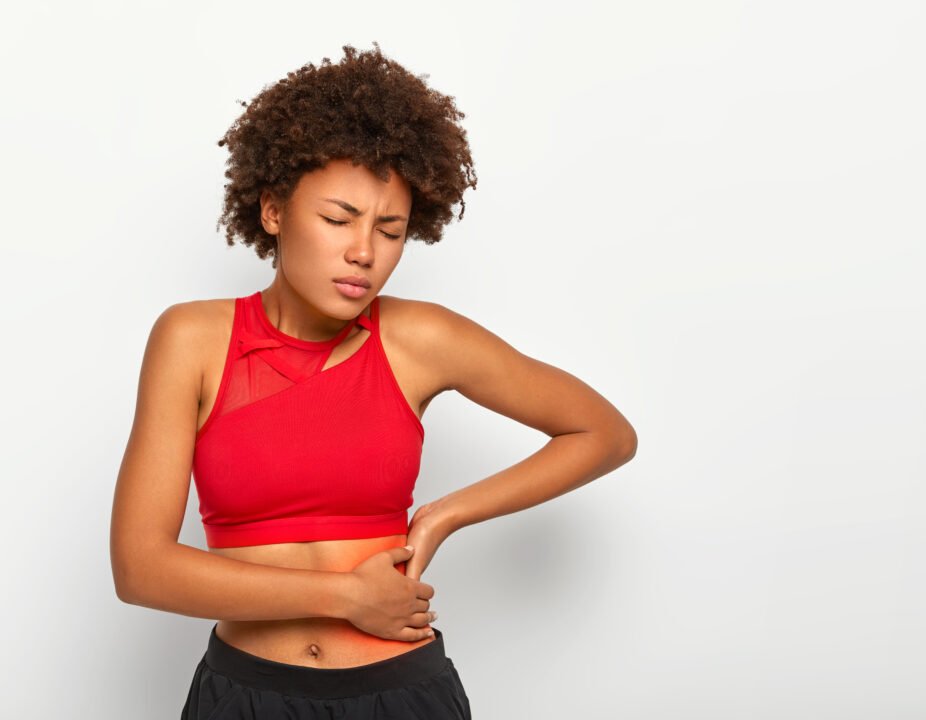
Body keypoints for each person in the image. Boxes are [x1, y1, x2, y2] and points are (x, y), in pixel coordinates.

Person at [110, 42, 637, 719]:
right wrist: (344, 596)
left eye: (390, 230)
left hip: (401, 693)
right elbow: (140, 568)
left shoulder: (422, 339)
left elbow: (604, 434)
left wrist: (443, 515)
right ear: (273, 211)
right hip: (244, 697)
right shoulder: (192, 339)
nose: (364, 251)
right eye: (337, 219)